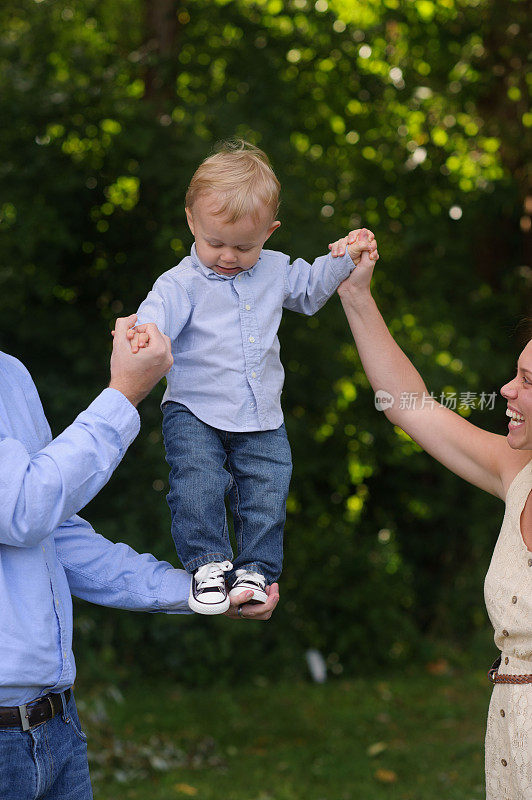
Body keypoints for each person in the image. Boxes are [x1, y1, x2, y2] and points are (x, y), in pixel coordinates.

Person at [0, 314, 278, 800]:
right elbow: (24, 508)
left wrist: (194, 591)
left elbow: (54, 535)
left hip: (56, 725)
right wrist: (125, 391)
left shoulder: (9, 374)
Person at [128, 139, 378, 615]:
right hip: (194, 408)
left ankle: (256, 570)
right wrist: (143, 333)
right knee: (197, 483)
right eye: (214, 242)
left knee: (267, 489)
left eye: (244, 245)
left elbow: (310, 290)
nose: (227, 255)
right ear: (191, 223)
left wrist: (346, 257)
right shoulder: (180, 283)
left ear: (269, 232)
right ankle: (207, 563)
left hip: (261, 411)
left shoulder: (276, 270)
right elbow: (156, 313)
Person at [333, 233, 532, 800]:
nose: (505, 390)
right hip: (510, 742)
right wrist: (356, 294)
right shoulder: (516, 471)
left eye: (528, 382)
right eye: (515, 372)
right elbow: (407, 406)